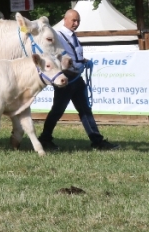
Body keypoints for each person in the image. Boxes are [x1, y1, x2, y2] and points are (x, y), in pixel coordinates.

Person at [38, 9, 118, 151]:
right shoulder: (57, 36)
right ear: (65, 19)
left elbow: (73, 55)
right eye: (73, 20)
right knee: (57, 110)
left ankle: (97, 141)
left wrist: (82, 61)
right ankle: (44, 139)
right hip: (66, 78)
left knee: (85, 110)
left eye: (78, 21)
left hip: (76, 78)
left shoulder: (73, 36)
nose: (76, 23)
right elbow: (54, 55)